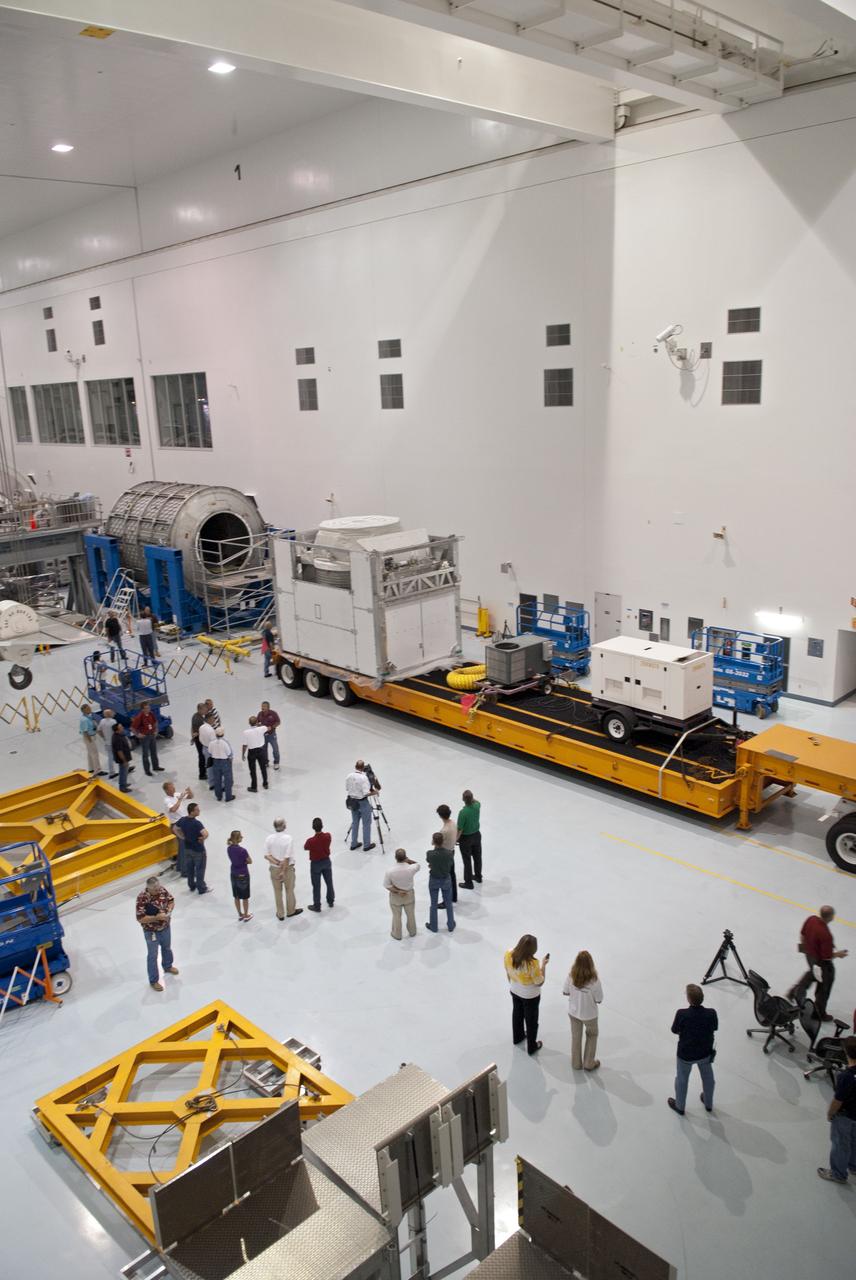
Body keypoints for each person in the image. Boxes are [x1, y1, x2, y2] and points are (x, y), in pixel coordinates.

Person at [789, 906, 849, 1021]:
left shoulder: (811, 919)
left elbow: (802, 935)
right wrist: (839, 954)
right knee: (824, 987)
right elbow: (827, 957)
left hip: (809, 956)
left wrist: (808, 948)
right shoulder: (826, 935)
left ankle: (793, 992)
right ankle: (819, 1013)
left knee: (812, 974)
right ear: (831, 917)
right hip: (820, 962)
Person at [668, 984, 718, 1116]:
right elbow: (714, 1028)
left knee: (682, 1080)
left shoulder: (682, 1014)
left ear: (689, 999)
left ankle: (680, 1106)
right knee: (708, 1078)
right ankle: (708, 1103)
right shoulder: (711, 1013)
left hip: (686, 1054)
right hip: (705, 1053)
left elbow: (674, 1030)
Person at [818, 1035, 856, 1184]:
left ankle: (838, 1174)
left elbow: (837, 1101)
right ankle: (853, 1165)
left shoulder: (845, 1077)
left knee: (841, 1143)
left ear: (846, 1053)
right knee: (854, 1141)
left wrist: (830, 1113)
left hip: (844, 1116)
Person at [505, 935, 549, 1055]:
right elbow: (539, 982)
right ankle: (532, 1046)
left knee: (517, 1014)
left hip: (514, 990)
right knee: (531, 1020)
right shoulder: (533, 964)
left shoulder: (508, 954)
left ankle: (518, 1037)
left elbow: (507, 970)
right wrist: (543, 966)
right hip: (530, 996)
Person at [135, 875, 178, 991]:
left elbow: (171, 900)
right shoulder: (142, 898)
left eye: (158, 887)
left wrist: (169, 910)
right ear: (148, 888)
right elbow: (140, 918)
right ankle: (154, 980)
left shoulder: (162, 890)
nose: (158, 890)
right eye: (155, 889)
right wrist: (157, 917)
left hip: (165, 927)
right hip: (151, 932)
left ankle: (168, 966)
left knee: (167, 948)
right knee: (153, 956)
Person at [562, 951, 603, 1072]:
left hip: (574, 1013)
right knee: (592, 1035)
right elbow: (599, 999)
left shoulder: (571, 976)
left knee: (576, 1037)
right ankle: (589, 1063)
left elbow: (565, 991)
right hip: (589, 1015)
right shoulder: (594, 980)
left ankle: (576, 1063)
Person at [264, 818, 302, 919]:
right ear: (284, 826)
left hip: (274, 869)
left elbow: (267, 856)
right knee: (289, 890)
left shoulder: (269, 838)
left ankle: (280, 914)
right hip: (287, 869)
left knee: (277, 892)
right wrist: (283, 870)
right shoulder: (288, 838)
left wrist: (277, 863)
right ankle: (290, 911)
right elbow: (287, 857)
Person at [384, 848, 420, 940]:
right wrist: (408, 860)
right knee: (411, 914)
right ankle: (412, 932)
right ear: (405, 857)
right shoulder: (411, 868)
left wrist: (398, 891)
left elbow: (387, 886)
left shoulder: (390, 871)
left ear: (395, 858)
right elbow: (417, 864)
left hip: (396, 896)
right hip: (409, 894)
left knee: (396, 915)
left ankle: (397, 934)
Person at [176, 803, 212, 895]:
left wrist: (182, 837)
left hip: (187, 848)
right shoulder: (197, 823)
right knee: (200, 869)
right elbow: (206, 834)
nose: (199, 811)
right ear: (192, 812)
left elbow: (175, 828)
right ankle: (201, 888)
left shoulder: (182, 820)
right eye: (197, 809)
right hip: (198, 850)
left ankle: (191, 885)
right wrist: (202, 838)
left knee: (190, 868)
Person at [425, 832, 455, 934]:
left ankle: (433, 926)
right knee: (448, 903)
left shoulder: (430, 853)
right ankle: (451, 925)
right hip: (446, 879)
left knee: (433, 904)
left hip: (434, 880)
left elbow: (429, 861)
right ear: (443, 841)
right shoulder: (449, 853)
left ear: (433, 841)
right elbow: (450, 864)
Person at [304, 817, 334, 912]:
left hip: (316, 864)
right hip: (326, 861)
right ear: (322, 826)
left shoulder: (310, 841)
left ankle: (317, 905)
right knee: (329, 882)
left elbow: (305, 847)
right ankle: (330, 900)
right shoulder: (328, 836)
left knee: (316, 885)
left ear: (313, 827)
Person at [346, 760, 376, 851]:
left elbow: (347, 788)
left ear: (355, 766)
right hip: (362, 802)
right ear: (363, 768)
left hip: (352, 802)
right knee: (366, 824)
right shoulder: (364, 778)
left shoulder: (349, 776)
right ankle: (366, 845)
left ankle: (353, 843)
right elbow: (366, 793)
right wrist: (375, 792)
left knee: (355, 822)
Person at [162, 781, 192, 875]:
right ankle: (184, 870)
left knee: (183, 846)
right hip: (177, 825)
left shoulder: (176, 794)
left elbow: (191, 797)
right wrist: (179, 799)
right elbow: (173, 809)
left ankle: (180, 866)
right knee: (183, 847)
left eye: (173, 787)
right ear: (166, 790)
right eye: (171, 788)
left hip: (183, 822)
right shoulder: (167, 800)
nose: (174, 789)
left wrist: (189, 791)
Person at [457, 789, 482, 888]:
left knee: (467, 860)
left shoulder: (463, 812)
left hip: (466, 838)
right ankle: (478, 876)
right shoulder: (477, 806)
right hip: (476, 835)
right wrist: (471, 798)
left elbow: (460, 829)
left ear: (463, 799)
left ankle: (468, 882)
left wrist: (456, 840)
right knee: (477, 857)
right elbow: (478, 802)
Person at [131, 700, 164, 776]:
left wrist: (156, 730)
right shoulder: (139, 717)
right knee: (145, 754)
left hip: (152, 735)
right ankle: (147, 770)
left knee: (154, 752)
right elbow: (132, 728)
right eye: (146, 708)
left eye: (149, 707)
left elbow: (155, 722)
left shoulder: (151, 714)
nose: (148, 709)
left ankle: (156, 766)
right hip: (145, 737)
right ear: (142, 709)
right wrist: (138, 735)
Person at [227, 830, 252, 922]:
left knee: (236, 895)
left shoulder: (229, 848)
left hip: (233, 873)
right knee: (245, 897)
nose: (242, 837)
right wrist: (244, 862)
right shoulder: (243, 850)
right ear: (237, 839)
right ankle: (246, 915)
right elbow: (250, 861)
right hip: (243, 874)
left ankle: (240, 914)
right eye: (241, 836)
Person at [436, 803, 458, 903]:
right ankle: (454, 897)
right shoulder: (453, 823)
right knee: (452, 875)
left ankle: (447, 900)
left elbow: (437, 844)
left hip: (444, 855)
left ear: (440, 816)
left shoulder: (444, 831)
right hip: (451, 851)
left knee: (445, 878)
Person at [208, 728, 236, 802]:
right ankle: (228, 796)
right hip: (225, 762)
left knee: (217, 780)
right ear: (223, 734)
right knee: (228, 780)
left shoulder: (212, 742)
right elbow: (229, 753)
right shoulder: (225, 742)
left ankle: (218, 796)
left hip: (215, 762)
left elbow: (210, 752)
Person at [242, 716, 269, 792]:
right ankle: (265, 783)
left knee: (252, 770)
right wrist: (260, 725)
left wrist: (243, 754)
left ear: (249, 723)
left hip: (252, 752)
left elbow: (244, 745)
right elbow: (268, 728)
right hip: (261, 750)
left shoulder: (246, 732)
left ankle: (254, 787)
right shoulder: (262, 728)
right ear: (257, 722)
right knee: (263, 768)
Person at [79, 703, 105, 776]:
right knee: (95, 754)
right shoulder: (84, 720)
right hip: (89, 737)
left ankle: (91, 768)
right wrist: (90, 741)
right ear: (84, 710)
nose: (90, 709)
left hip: (91, 736)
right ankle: (98, 770)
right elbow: (85, 732)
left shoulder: (88, 717)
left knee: (90, 753)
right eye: (88, 708)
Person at [258, 700, 281, 770]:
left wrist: (272, 727)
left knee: (275, 749)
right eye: (262, 706)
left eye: (264, 706)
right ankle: (266, 762)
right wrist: (258, 725)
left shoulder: (273, 713)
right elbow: (257, 722)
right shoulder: (260, 714)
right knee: (264, 750)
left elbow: (278, 722)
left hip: (272, 735)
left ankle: (276, 763)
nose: (262, 708)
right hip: (263, 735)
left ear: (268, 707)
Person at [112, 721, 133, 792]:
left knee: (124, 771)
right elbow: (119, 751)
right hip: (122, 759)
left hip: (125, 757)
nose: (123, 728)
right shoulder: (117, 739)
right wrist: (124, 761)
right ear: (117, 730)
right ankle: (122, 788)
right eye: (121, 727)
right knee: (123, 772)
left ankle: (124, 783)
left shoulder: (119, 735)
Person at [97, 708, 119, 777]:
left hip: (107, 742)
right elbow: (117, 731)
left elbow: (98, 731)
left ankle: (111, 772)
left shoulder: (102, 721)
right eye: (111, 712)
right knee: (120, 755)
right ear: (109, 714)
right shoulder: (113, 721)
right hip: (114, 742)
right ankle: (125, 768)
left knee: (110, 757)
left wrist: (103, 737)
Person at [198, 713, 217, 790]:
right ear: (209, 719)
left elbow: (200, 738)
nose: (214, 720)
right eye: (213, 719)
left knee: (208, 766)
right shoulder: (211, 730)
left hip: (204, 748)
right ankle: (215, 782)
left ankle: (211, 782)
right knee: (213, 766)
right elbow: (214, 742)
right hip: (211, 750)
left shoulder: (201, 727)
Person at [190, 703, 207, 781]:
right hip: (199, 740)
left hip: (198, 739)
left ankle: (203, 771)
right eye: (204, 709)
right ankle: (202, 774)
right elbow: (199, 731)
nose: (205, 710)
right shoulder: (198, 719)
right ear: (199, 709)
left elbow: (192, 729)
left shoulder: (196, 716)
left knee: (202, 756)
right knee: (202, 756)